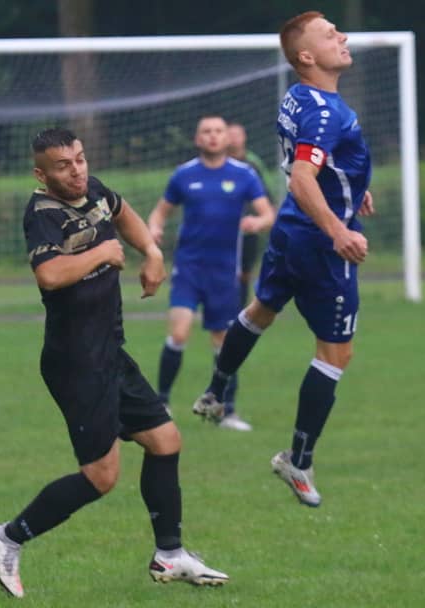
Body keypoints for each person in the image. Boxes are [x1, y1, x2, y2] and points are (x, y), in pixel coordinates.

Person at [0, 128, 228, 599]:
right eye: (63, 166)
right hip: (76, 362)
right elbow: (49, 274)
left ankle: (170, 553)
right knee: (101, 477)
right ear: (41, 174)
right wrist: (103, 252)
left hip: (109, 351)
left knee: (165, 440)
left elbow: (122, 211)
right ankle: (7, 538)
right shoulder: (42, 214)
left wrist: (151, 251)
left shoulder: (90, 189)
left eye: (79, 159)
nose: (76, 171)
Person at [191, 11, 375, 507]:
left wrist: (352, 186)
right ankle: (298, 459)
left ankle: (215, 390)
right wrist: (338, 229)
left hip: (291, 231)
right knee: (335, 354)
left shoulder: (298, 96)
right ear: (307, 56)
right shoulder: (325, 112)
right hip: (319, 244)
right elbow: (302, 178)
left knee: (261, 311)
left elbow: (315, 165)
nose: (343, 36)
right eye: (330, 34)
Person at [147, 114, 275, 432]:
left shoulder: (244, 175)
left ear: (227, 138)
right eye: (206, 131)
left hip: (224, 273)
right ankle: (161, 403)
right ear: (197, 138)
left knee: (224, 342)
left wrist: (257, 222)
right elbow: (160, 213)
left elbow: (268, 214)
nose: (213, 136)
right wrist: (154, 230)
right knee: (179, 333)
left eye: (218, 131)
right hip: (189, 269)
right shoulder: (184, 174)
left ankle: (226, 411)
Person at [226, 120, 285, 314]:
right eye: (230, 134)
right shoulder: (217, 161)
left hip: (248, 226)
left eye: (237, 135)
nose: (233, 139)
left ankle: (239, 311)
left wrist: (267, 215)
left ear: (244, 138)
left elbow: (265, 193)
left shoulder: (252, 163)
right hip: (222, 226)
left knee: (244, 271)